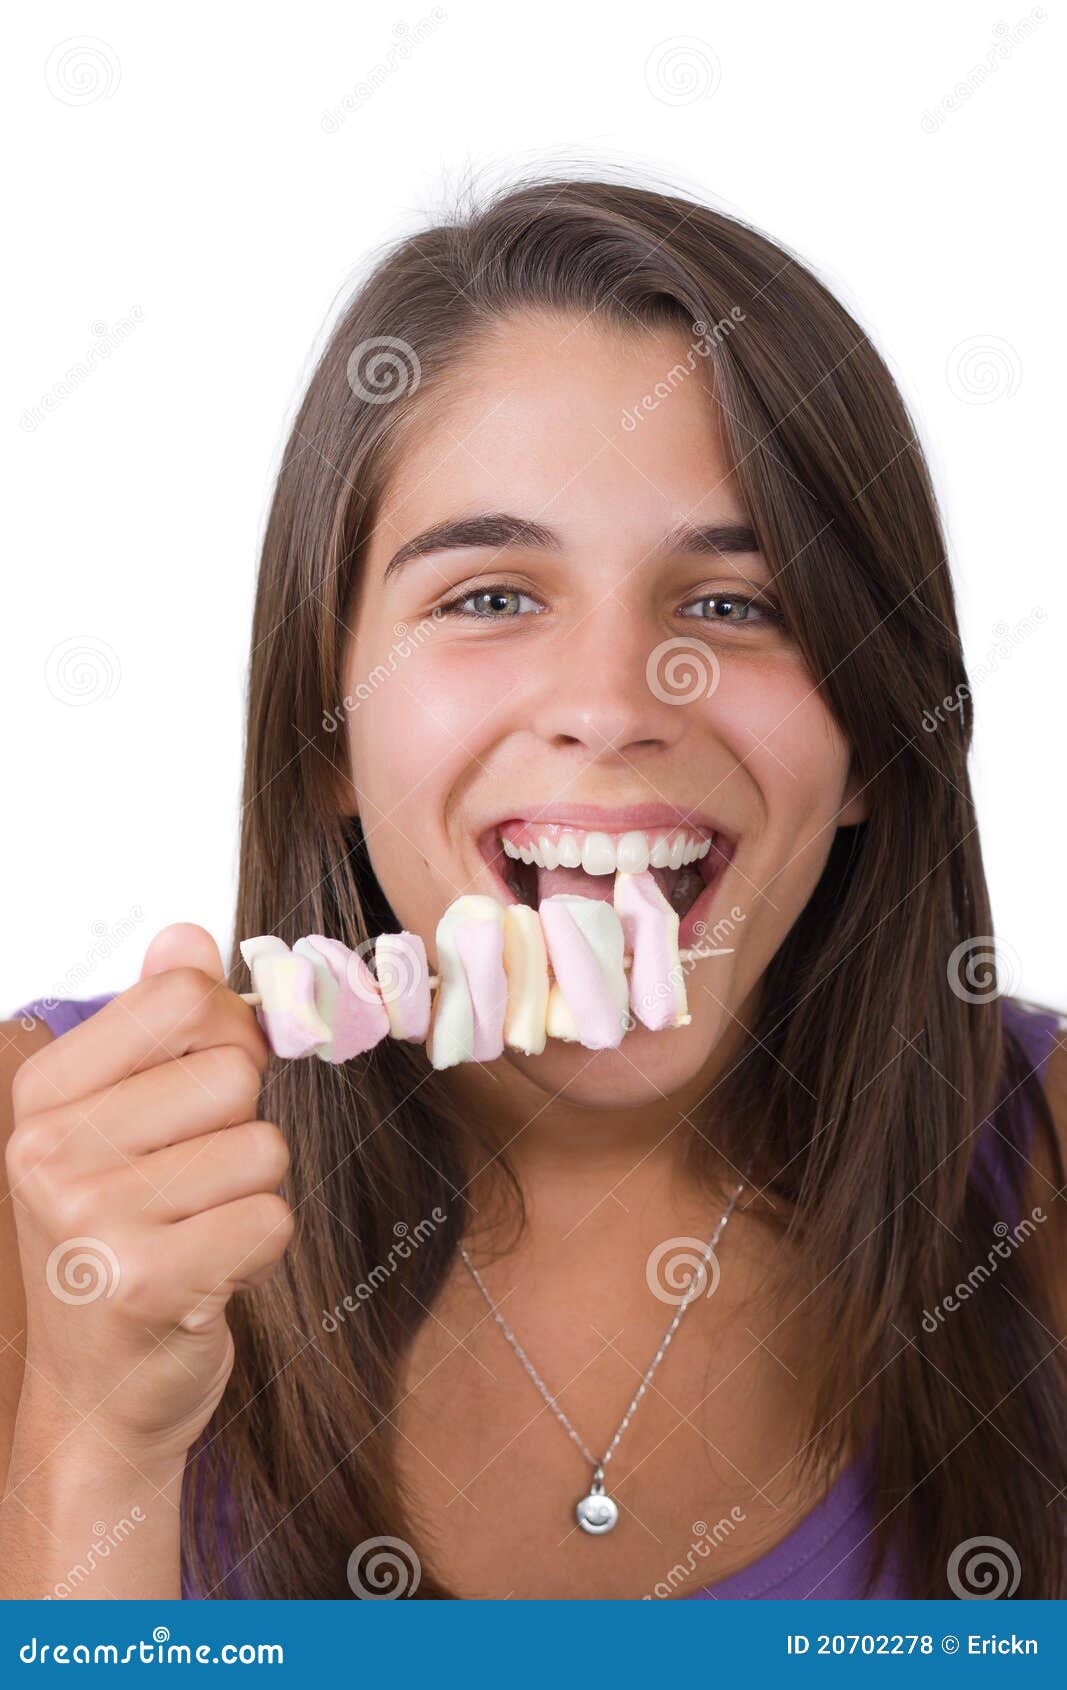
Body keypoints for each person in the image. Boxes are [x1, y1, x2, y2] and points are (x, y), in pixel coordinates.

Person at [2, 173, 1065, 1601]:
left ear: (874, 731)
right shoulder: (52, 1174)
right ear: (329, 726)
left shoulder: (1044, 1167)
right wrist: (99, 1439)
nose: (614, 705)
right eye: (491, 595)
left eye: (736, 603)